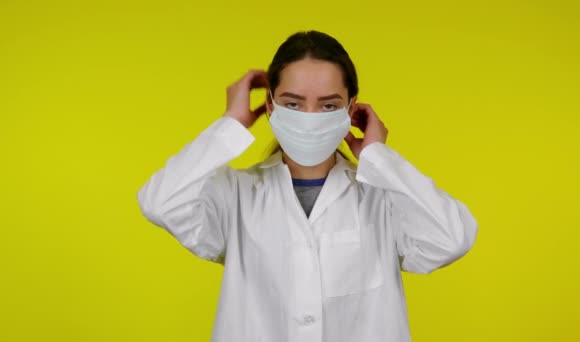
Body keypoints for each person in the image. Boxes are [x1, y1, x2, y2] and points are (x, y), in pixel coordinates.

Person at [137, 30, 478, 342]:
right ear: (270, 106)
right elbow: (160, 202)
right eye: (293, 103)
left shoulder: (382, 199)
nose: (310, 117)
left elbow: (452, 238)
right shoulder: (235, 195)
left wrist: (380, 158)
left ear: (351, 108)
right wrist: (230, 124)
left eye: (328, 105)